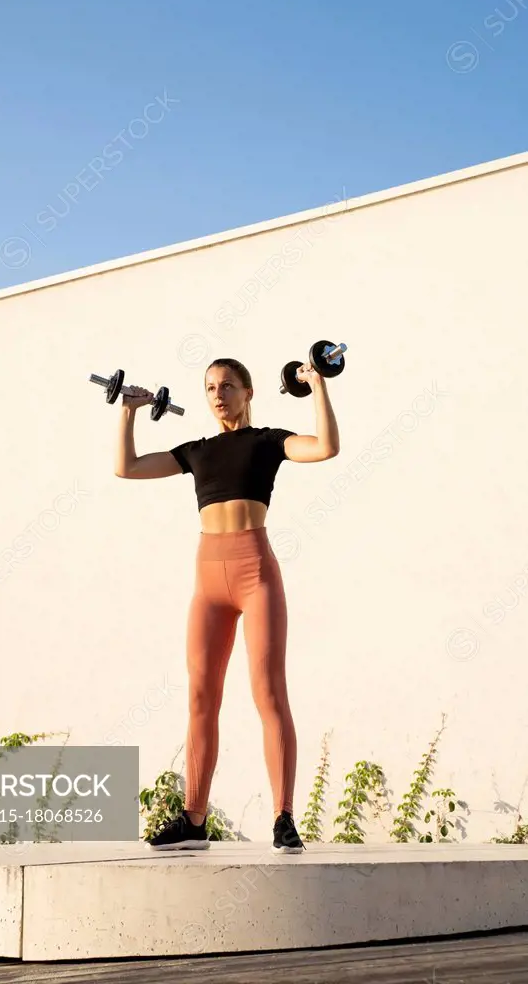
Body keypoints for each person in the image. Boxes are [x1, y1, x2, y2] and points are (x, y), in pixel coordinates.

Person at [115, 357, 340, 853]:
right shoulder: (195, 450)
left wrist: (319, 385)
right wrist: (128, 413)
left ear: (248, 391)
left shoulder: (267, 441)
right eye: (210, 388)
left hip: (254, 573)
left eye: (228, 386)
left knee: (268, 693)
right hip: (208, 582)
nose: (218, 395)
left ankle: (283, 816)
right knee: (200, 697)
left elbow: (326, 447)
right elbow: (126, 468)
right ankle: (193, 820)